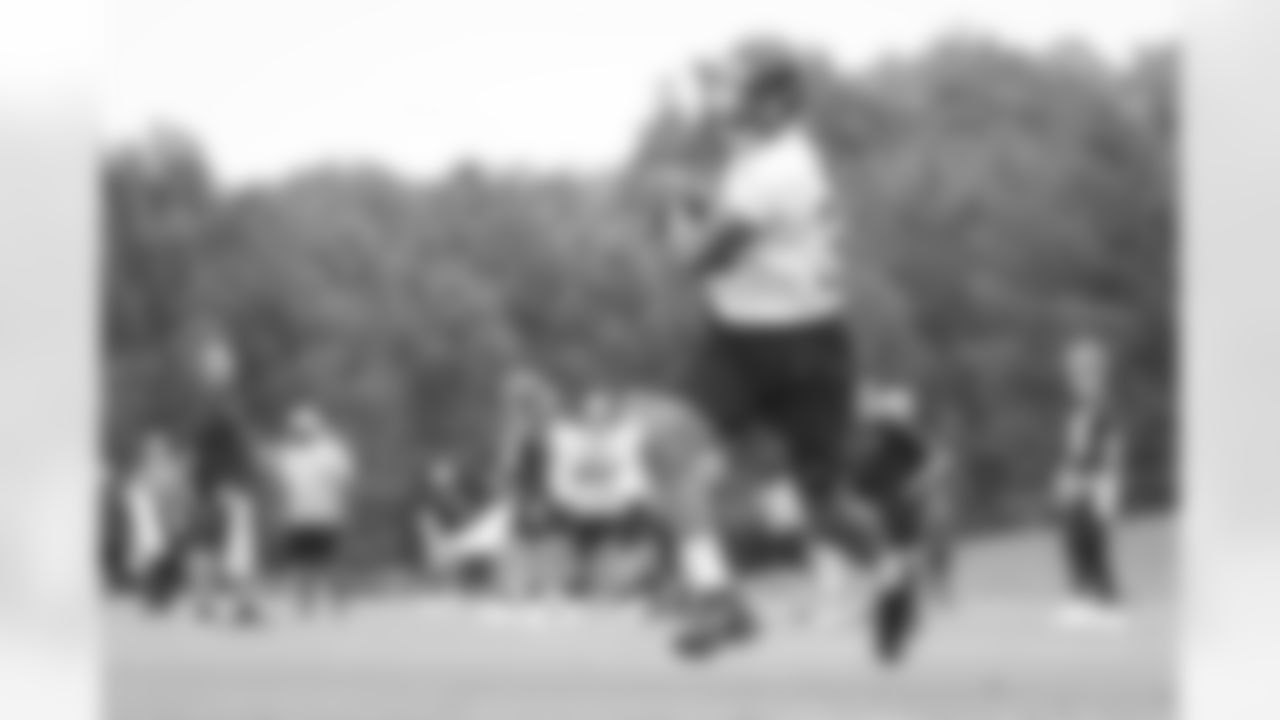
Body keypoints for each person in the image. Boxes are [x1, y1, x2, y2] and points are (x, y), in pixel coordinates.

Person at [648, 47, 864, 660]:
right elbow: (730, 208)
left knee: (823, 505)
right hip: (740, 339)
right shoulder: (760, 157)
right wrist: (695, 191)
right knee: (666, 442)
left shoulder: (779, 169)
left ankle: (893, 564)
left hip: (803, 344)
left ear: (779, 104)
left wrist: (674, 210)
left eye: (742, 92)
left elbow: (700, 259)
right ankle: (719, 599)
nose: (729, 101)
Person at [539, 384, 662, 600]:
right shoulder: (566, 438)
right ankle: (568, 579)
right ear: (582, 414)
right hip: (576, 507)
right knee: (556, 521)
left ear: (611, 415)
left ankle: (629, 580)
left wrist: (626, 500)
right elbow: (558, 479)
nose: (597, 417)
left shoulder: (626, 438)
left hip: (615, 507)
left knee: (643, 516)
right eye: (592, 412)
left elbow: (635, 477)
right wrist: (569, 501)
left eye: (603, 412)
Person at [182, 331, 262, 624]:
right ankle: (243, 605)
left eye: (226, 361)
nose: (227, 366)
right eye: (220, 361)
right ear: (210, 367)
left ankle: (206, 603)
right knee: (234, 545)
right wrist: (227, 483)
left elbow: (202, 449)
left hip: (211, 485)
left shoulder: (211, 401)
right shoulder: (219, 403)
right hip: (225, 485)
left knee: (206, 546)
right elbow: (217, 447)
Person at [853, 382, 935, 664]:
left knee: (898, 570)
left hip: (898, 509)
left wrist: (916, 488)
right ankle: (890, 633)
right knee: (889, 573)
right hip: (871, 512)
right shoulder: (854, 435)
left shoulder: (894, 433)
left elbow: (927, 463)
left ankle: (894, 631)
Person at [1053, 334, 1128, 628]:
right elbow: (1075, 449)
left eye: (1080, 370)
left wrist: (1107, 480)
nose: (1074, 377)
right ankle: (1084, 598)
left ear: (1094, 372)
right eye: (1073, 371)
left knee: (1094, 540)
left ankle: (1108, 602)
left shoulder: (1103, 406)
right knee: (1075, 537)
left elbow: (1111, 446)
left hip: (1096, 480)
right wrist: (1066, 475)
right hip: (1080, 480)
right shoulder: (1080, 408)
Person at [266, 403, 356, 614]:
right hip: (297, 515)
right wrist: (278, 511)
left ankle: (339, 602)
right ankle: (305, 605)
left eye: (306, 428)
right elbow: (280, 486)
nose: (302, 432)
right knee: (301, 563)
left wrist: (343, 505)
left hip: (326, 514)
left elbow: (344, 481)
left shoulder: (331, 451)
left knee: (330, 561)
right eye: (298, 429)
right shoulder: (288, 455)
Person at [119, 433, 190, 612]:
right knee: (149, 557)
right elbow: (134, 495)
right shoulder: (142, 472)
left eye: (159, 449)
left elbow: (178, 495)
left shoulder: (170, 470)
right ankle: (153, 596)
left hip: (166, 521)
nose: (155, 453)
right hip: (150, 522)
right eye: (152, 450)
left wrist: (178, 518)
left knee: (162, 558)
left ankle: (160, 595)